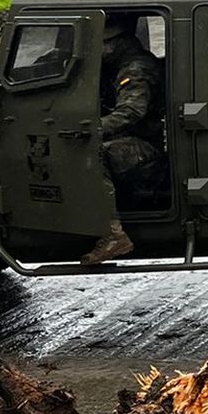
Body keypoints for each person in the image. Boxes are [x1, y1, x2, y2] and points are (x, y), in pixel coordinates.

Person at [82, 15, 165, 266]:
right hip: (138, 140)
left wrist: (94, 130)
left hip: (148, 147)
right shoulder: (123, 66)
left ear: (115, 43)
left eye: (102, 44)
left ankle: (113, 235)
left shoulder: (135, 69)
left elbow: (131, 111)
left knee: (94, 157)